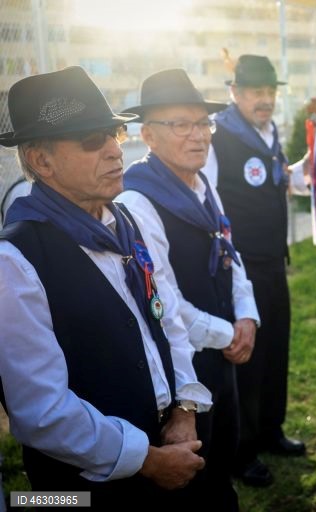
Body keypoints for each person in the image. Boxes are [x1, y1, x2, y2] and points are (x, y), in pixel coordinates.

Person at [0, 66, 210, 509]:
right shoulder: (15, 261)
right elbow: (42, 413)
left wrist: (185, 408)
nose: (115, 150)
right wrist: (148, 460)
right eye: (92, 140)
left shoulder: (122, 220)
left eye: (113, 133)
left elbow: (164, 316)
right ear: (41, 160)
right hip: (81, 489)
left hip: (170, 441)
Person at [117, 69, 260, 508]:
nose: (198, 136)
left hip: (223, 354)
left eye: (204, 124)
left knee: (221, 462)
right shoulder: (137, 202)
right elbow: (163, 302)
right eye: (181, 124)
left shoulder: (202, 184)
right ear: (149, 136)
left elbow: (229, 255)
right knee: (192, 485)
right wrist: (227, 332)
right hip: (181, 371)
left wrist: (248, 315)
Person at [201, 54, 305, 487]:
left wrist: (306, 167)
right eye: (256, 93)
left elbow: (280, 179)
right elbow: (206, 198)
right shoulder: (217, 137)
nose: (265, 101)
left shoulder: (270, 132)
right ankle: (241, 452)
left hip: (273, 262)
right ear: (235, 94)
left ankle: (270, 430)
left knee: (276, 349)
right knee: (247, 358)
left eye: (270, 93)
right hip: (240, 268)